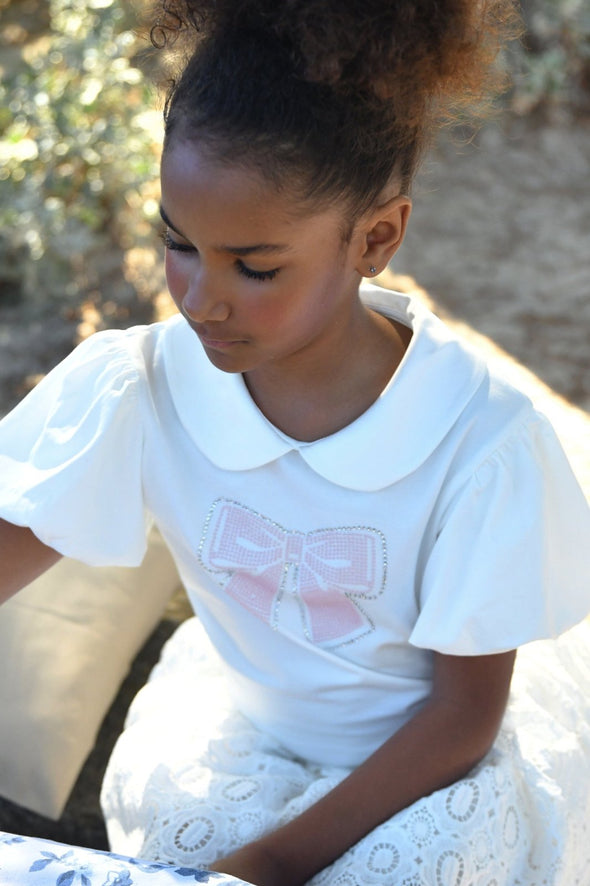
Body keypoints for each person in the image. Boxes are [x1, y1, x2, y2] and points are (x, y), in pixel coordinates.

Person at [1, 0, 589, 883]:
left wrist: (275, 861)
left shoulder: (479, 444)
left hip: (426, 774)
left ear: (376, 238)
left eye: (255, 266)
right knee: (190, 852)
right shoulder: (142, 386)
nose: (200, 299)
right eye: (178, 243)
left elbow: (464, 718)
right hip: (246, 737)